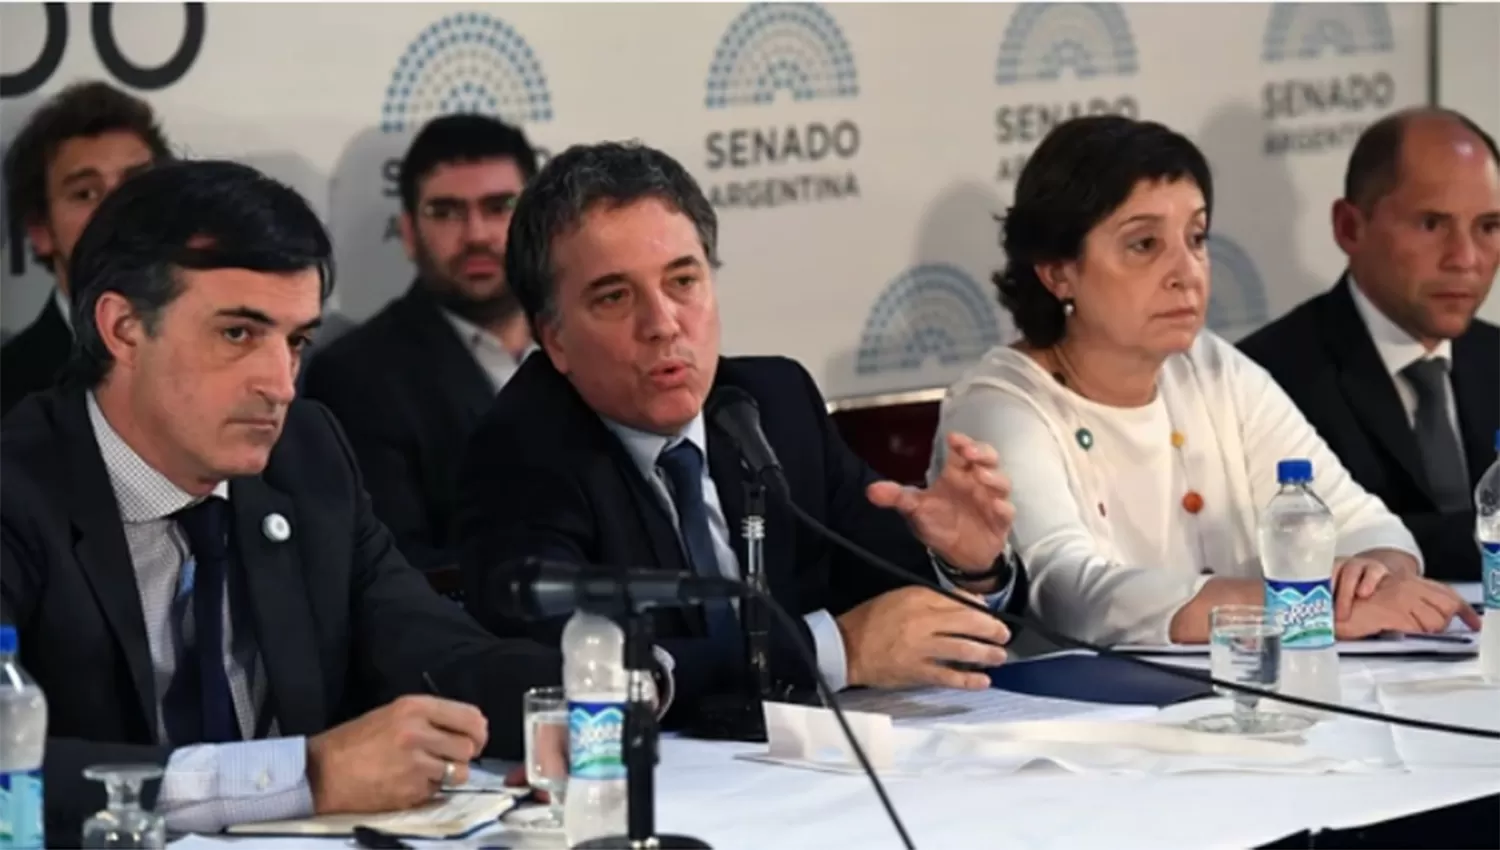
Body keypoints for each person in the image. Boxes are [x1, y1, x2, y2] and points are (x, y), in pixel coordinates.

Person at [0, 159, 561, 843]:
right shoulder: (18, 487)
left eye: (296, 341)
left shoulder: (306, 454)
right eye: (238, 334)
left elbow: (424, 641)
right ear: (122, 329)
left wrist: (580, 701)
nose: (281, 383)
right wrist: (302, 776)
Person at [457, 141, 1024, 725]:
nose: (663, 324)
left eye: (682, 281)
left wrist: (966, 564)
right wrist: (836, 653)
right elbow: (578, 670)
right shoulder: (521, 454)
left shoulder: (770, 404)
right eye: (615, 297)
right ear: (554, 339)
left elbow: (895, 601)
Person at [928, 115, 1481, 647]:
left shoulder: (1213, 368)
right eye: (1144, 245)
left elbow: (1367, 526)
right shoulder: (1001, 406)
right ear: (1057, 271)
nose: (1187, 272)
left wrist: (1372, 578)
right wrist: (1305, 607)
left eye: (1196, 238)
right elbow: (1073, 597)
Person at [1240, 108, 1500, 582]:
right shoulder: (1265, 379)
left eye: (1488, 227)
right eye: (1431, 224)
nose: (1465, 258)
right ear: (1349, 228)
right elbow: (1318, 541)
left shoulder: (1494, 357)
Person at [303, 115, 541, 573]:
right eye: (447, 211)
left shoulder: (585, 344)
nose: (476, 234)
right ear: (409, 233)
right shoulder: (356, 377)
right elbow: (395, 569)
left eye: (499, 207)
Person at [1, 80, 172, 416]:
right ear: (40, 231)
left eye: (136, 182)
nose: (116, 207)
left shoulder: (236, 358)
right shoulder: (7, 398)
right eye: (85, 193)